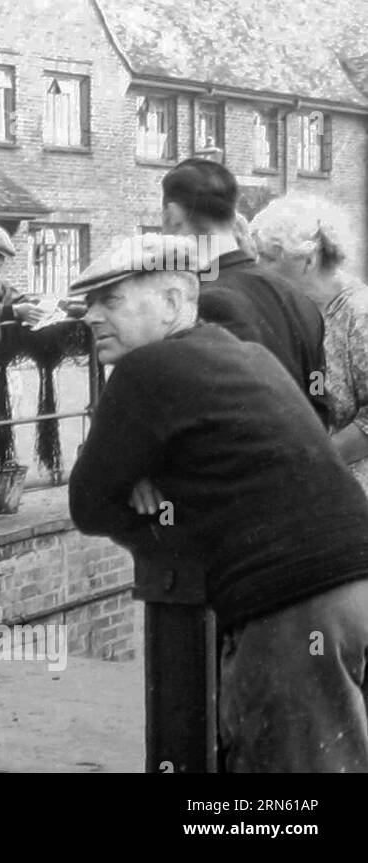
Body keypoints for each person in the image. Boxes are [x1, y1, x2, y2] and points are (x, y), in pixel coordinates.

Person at [68, 232, 368, 772]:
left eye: (111, 301)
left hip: (292, 600)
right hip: (352, 582)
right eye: (90, 303)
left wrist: (157, 508)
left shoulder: (145, 370)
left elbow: (88, 504)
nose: (91, 316)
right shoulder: (247, 354)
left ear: (172, 302)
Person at [160, 158, 329, 425]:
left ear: (172, 215)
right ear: (230, 214)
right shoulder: (301, 300)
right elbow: (318, 390)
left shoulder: (202, 303)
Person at [251, 197, 368, 491]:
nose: (257, 267)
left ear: (307, 260)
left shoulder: (360, 313)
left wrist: (309, 461)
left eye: (269, 257)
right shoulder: (284, 309)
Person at [0, 225, 48, 327]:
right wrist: (14, 310)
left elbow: (11, 296)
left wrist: (38, 305)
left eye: (3, 258)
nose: (0, 263)